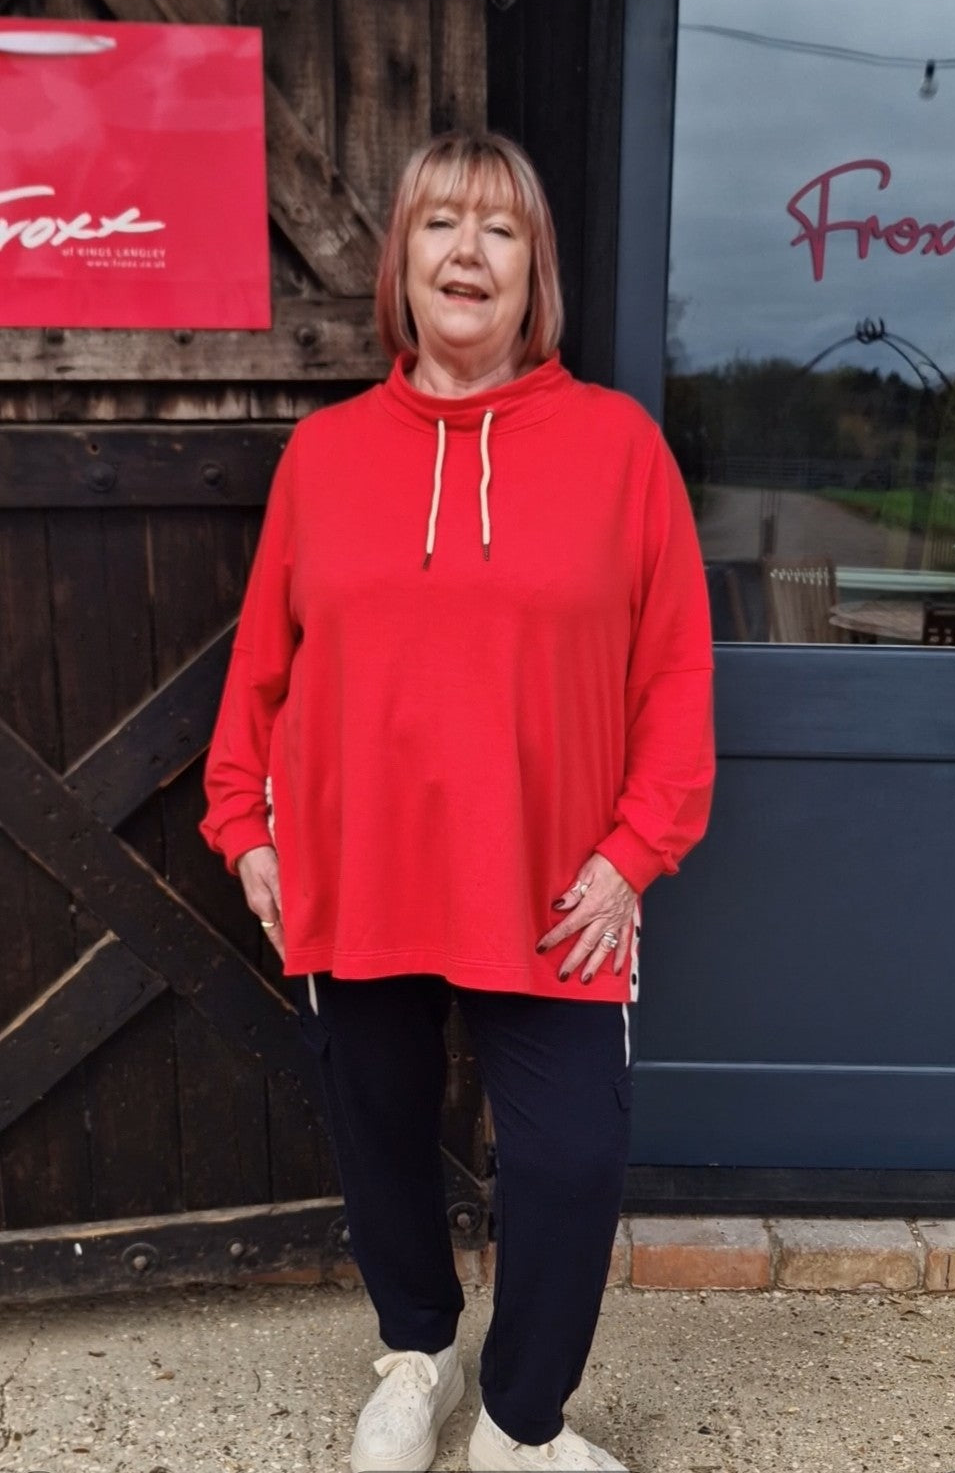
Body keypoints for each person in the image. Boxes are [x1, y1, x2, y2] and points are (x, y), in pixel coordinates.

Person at [200, 131, 714, 1473]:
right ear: (402, 263)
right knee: (379, 1139)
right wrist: (245, 828)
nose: (468, 252)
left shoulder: (619, 448)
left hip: (558, 887)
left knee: (570, 1160)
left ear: (535, 269)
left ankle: (520, 1424)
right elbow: (262, 668)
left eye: (499, 228)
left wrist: (634, 853)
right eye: (440, 223)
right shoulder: (324, 456)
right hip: (354, 873)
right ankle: (417, 1353)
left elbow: (674, 675)